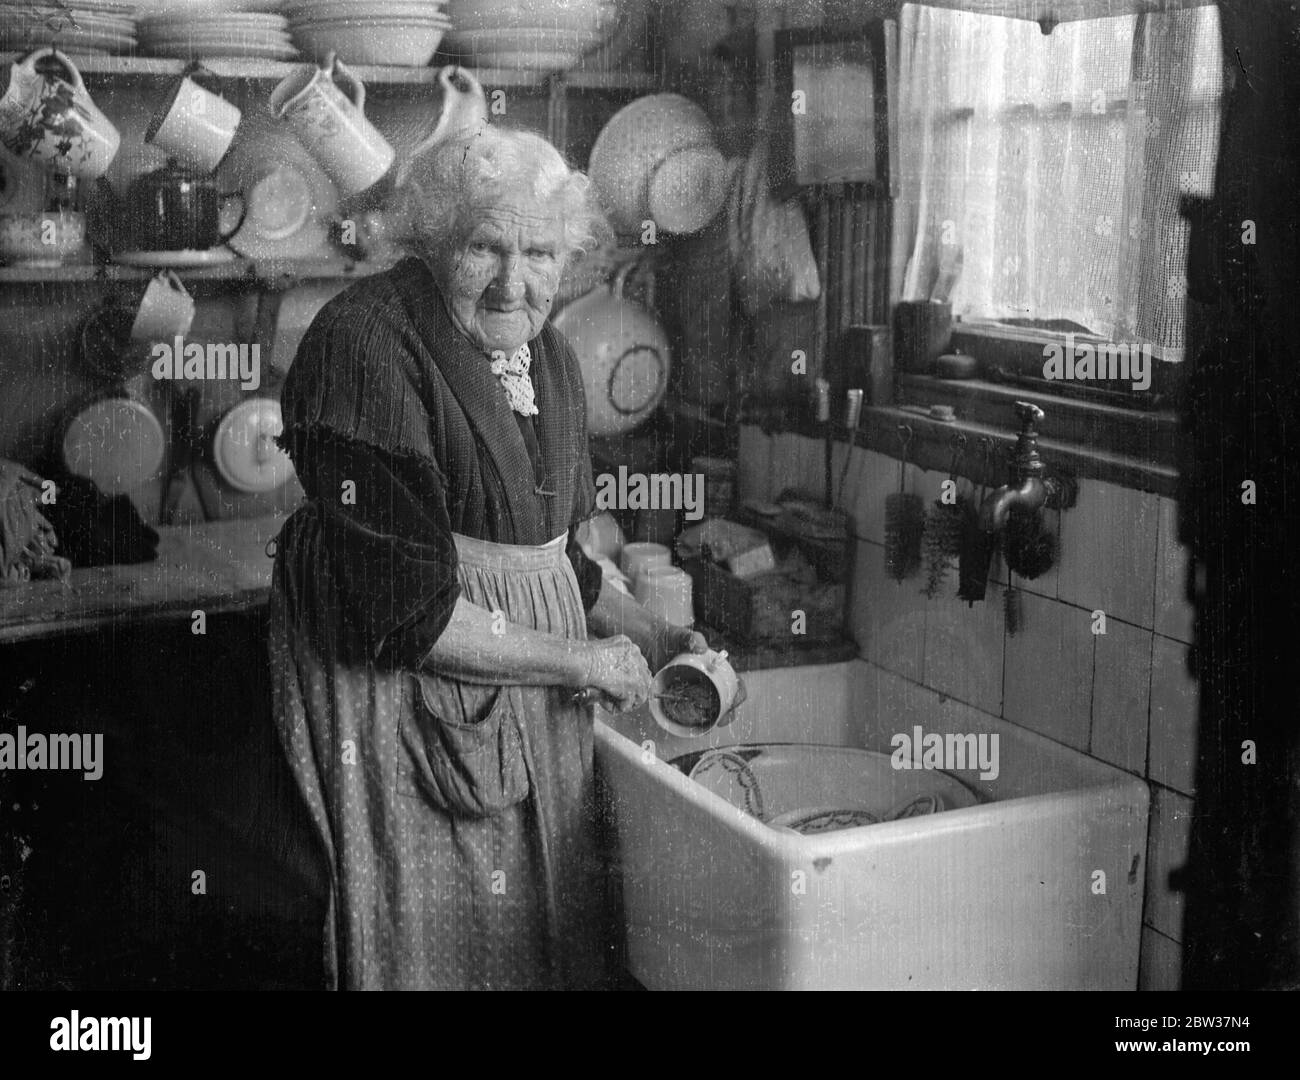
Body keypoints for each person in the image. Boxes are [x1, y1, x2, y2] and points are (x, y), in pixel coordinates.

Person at [266, 124, 726, 990]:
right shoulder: (366, 345)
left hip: (522, 696)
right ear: (434, 242)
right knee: (438, 947)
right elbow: (406, 613)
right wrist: (579, 660)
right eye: (486, 247)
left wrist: (652, 637)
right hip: (407, 698)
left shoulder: (546, 352)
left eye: (541, 252)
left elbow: (555, 562)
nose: (515, 281)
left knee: (528, 941)